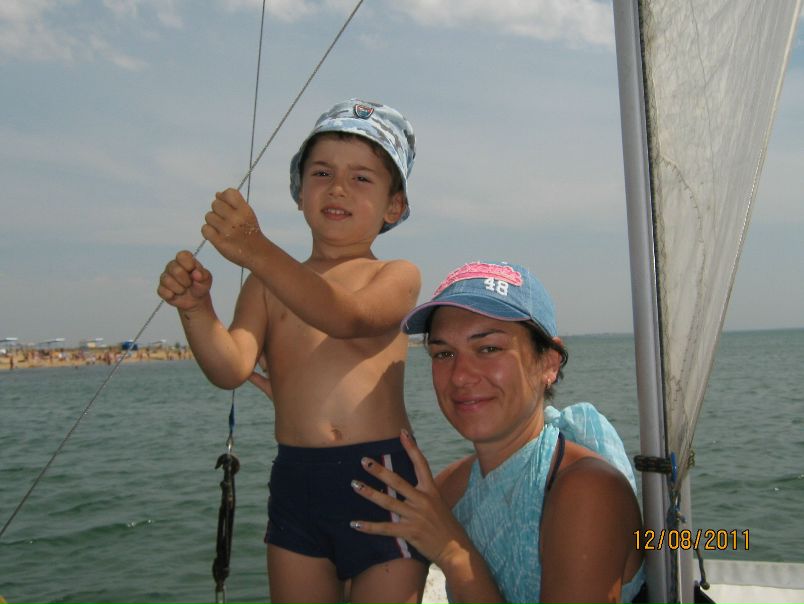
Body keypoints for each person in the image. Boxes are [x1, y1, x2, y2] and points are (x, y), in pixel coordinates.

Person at [157, 99, 428, 604]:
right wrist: (196, 309)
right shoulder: (265, 285)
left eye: (361, 177)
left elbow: (347, 317)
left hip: (382, 478)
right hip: (296, 482)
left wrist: (256, 249)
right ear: (300, 192)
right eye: (322, 172)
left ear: (394, 206)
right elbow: (230, 367)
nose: (338, 187)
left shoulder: (396, 275)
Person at [349, 261, 646, 603]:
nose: (460, 376)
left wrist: (454, 553)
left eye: (488, 348)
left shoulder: (587, 490)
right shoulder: (450, 488)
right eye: (444, 353)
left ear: (549, 363)